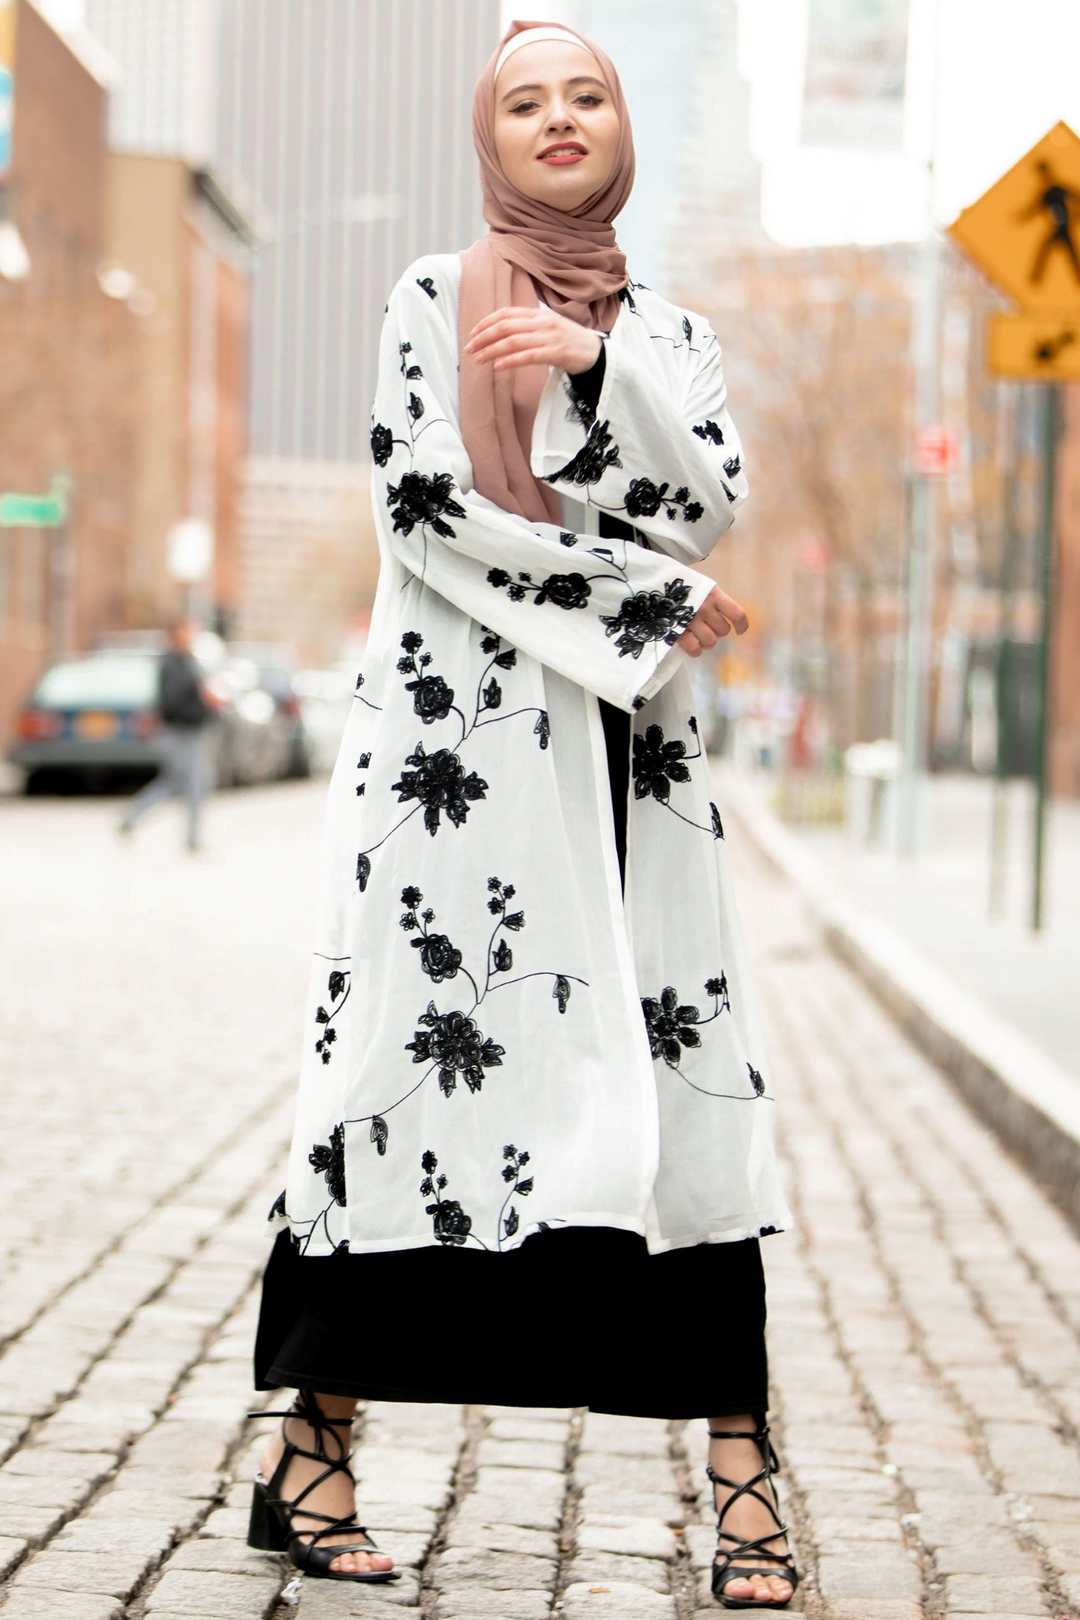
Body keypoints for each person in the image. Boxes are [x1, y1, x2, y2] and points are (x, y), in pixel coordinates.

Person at [246, 20, 798, 1609]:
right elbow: (423, 511)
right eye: (525, 101)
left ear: (627, 128)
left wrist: (593, 371)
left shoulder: (673, 336)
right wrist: (654, 597)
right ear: (488, 135)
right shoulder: (433, 297)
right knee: (413, 1084)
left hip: (633, 773)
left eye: (588, 94)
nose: (559, 119)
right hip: (464, 782)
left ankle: (743, 1474)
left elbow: (709, 493)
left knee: (673, 1093)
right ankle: (313, 1451)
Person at [117, 614, 216, 852]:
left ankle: (133, 819)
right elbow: (171, 703)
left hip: (191, 731)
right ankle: (190, 839)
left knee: (183, 783)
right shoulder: (172, 664)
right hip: (179, 732)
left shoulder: (188, 661)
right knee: (189, 782)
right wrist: (200, 703)